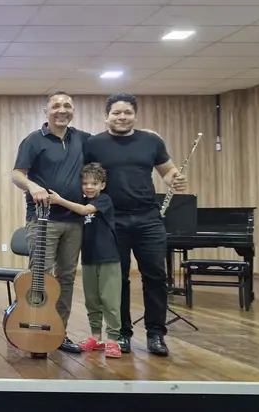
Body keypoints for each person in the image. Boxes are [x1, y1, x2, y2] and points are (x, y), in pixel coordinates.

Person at [84, 93, 187, 357]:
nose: (122, 117)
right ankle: (122, 334)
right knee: (117, 279)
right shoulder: (94, 143)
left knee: (155, 276)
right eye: (116, 113)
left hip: (148, 219)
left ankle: (156, 334)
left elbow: (167, 171)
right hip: (111, 220)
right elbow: (85, 178)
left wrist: (175, 179)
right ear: (106, 116)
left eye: (127, 112)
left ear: (135, 115)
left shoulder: (151, 141)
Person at [11, 91, 87, 354]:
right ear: (47, 112)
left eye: (67, 106)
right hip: (43, 220)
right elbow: (17, 175)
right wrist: (33, 186)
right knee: (40, 278)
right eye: (56, 106)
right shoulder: (34, 140)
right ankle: (34, 332)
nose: (62, 110)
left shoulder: (83, 139)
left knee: (66, 278)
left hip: (74, 221)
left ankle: (57, 333)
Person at [48, 163, 121, 358]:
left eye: (94, 183)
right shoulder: (81, 200)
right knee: (92, 301)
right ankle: (96, 337)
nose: (89, 187)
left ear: (102, 185)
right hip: (88, 259)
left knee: (110, 300)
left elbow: (84, 211)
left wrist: (58, 200)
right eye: (85, 183)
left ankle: (113, 339)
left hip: (108, 258)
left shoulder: (104, 200)